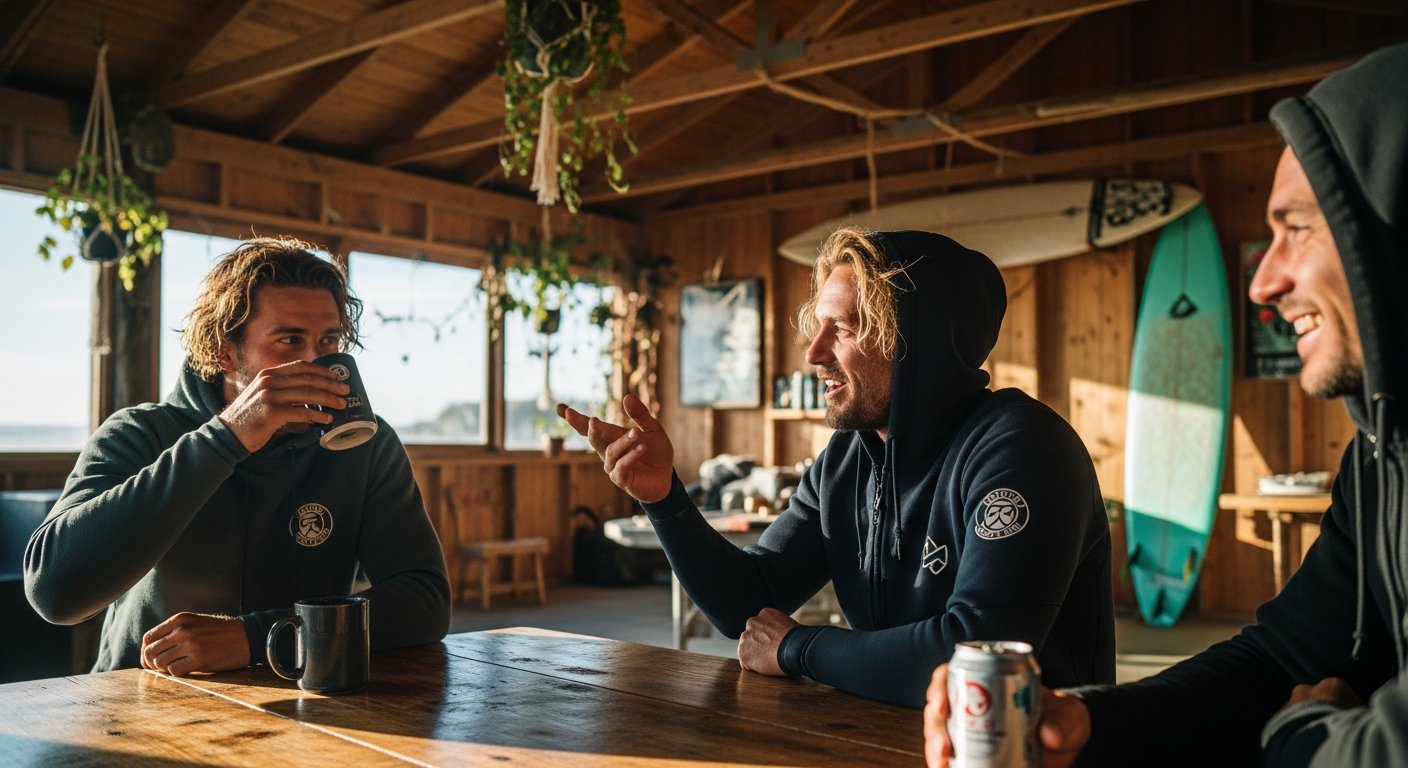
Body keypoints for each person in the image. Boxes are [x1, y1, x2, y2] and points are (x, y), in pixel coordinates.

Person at [924, 42, 1408, 768]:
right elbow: (1284, 656)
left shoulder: (1018, 441)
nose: (1262, 284)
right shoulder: (1380, 460)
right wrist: (1090, 722)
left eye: (1297, 228)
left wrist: (1302, 733)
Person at [558, 227, 1115, 707]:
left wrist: (801, 648)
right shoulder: (850, 457)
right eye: (818, 327)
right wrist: (665, 499)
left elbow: (976, 655)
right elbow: (748, 607)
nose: (813, 353)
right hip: (886, 739)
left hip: (1033, 752)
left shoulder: (1022, 447)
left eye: (843, 329)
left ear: (917, 346)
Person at [24, 237, 451, 675]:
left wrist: (258, 637)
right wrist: (227, 437)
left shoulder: (366, 446)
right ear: (223, 353)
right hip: (139, 708)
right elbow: (55, 595)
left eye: (329, 340)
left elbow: (425, 602)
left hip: (307, 704)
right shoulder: (139, 433)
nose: (315, 361)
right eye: (289, 340)